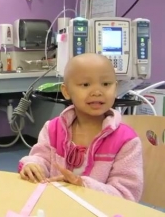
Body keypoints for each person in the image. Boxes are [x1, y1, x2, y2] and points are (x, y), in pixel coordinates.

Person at [18, 53, 143, 202]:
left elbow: (126, 195)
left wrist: (83, 185)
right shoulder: (53, 129)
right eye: (85, 84)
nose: (97, 92)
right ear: (66, 91)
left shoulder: (126, 141)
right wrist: (33, 165)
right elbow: (41, 159)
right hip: (57, 207)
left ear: (115, 88)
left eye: (106, 84)